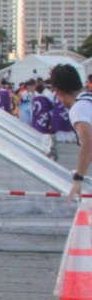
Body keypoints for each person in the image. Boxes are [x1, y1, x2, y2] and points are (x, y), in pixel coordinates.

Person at [50, 65, 92, 202]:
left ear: (58, 91)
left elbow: (88, 143)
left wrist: (79, 178)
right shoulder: (88, 99)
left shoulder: (79, 108)